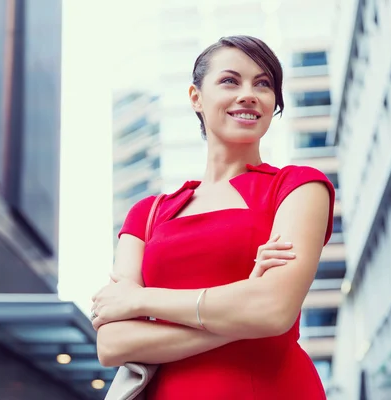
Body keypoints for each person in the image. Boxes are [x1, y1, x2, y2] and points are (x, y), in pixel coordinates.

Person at [91, 35, 335, 399]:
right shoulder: (148, 214)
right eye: (230, 81)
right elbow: (112, 343)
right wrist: (242, 313)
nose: (249, 93)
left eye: (264, 84)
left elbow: (272, 310)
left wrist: (141, 300)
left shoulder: (298, 187)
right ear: (196, 98)